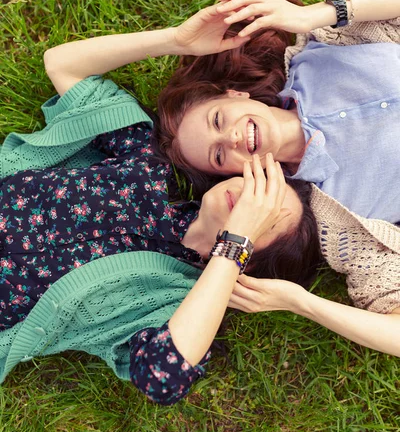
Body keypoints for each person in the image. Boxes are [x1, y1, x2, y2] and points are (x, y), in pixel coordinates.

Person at [0, 57, 320, 405]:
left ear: (251, 264)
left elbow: (162, 378)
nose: (249, 200)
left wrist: (232, 247)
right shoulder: (150, 166)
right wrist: (178, 40)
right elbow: (66, 66)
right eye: (262, 188)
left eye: (265, 216)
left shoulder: (174, 302)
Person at [156, 0, 400, 223]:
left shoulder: (312, 57)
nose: (231, 138)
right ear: (235, 174)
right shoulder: (336, 213)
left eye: (218, 120)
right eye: (218, 156)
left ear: (235, 94)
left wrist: (310, 16)